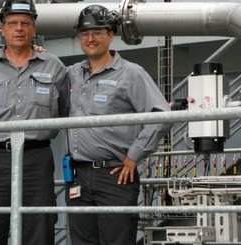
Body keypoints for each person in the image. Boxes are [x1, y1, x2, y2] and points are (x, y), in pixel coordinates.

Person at [64, 4, 172, 245]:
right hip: (77, 175)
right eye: (84, 33)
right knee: (81, 241)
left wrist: (134, 155)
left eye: (98, 32)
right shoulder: (71, 74)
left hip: (115, 176)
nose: (90, 38)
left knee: (117, 240)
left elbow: (161, 115)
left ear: (110, 36)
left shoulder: (131, 74)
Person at [0, 0, 68, 244]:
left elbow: (66, 110)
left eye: (25, 23)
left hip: (36, 160)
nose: (19, 28)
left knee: (39, 230)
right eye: (12, 23)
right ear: (2, 29)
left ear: (34, 30)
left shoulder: (54, 67)